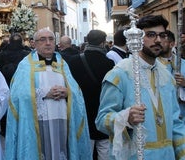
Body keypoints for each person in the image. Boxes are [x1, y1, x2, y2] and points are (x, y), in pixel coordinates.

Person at [95, 15, 185, 159]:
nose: (158, 40)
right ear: (138, 38)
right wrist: (126, 118)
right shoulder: (120, 74)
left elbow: (176, 123)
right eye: (150, 35)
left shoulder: (167, 77)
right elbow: (101, 121)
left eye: (162, 35)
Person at [5, 28, 91, 160]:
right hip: (37, 122)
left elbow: (76, 92)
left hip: (62, 118)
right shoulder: (26, 65)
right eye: (43, 39)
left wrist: (68, 92)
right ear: (34, 43)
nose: (48, 43)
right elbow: (17, 95)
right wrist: (44, 93)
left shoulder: (63, 64)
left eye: (51, 39)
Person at [67, 29, 115, 160]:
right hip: (101, 109)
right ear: (102, 43)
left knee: (85, 149)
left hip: (82, 111)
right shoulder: (109, 63)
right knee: (104, 149)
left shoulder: (74, 61)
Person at [0, 32, 30, 137]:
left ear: (9, 42)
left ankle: (4, 129)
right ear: (21, 42)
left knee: (5, 107)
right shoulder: (27, 56)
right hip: (21, 86)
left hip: (4, 85)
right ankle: (21, 128)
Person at [158, 30, 185, 119]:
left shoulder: (182, 64)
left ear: (171, 44)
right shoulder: (153, 65)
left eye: (163, 42)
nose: (159, 44)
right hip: (162, 114)